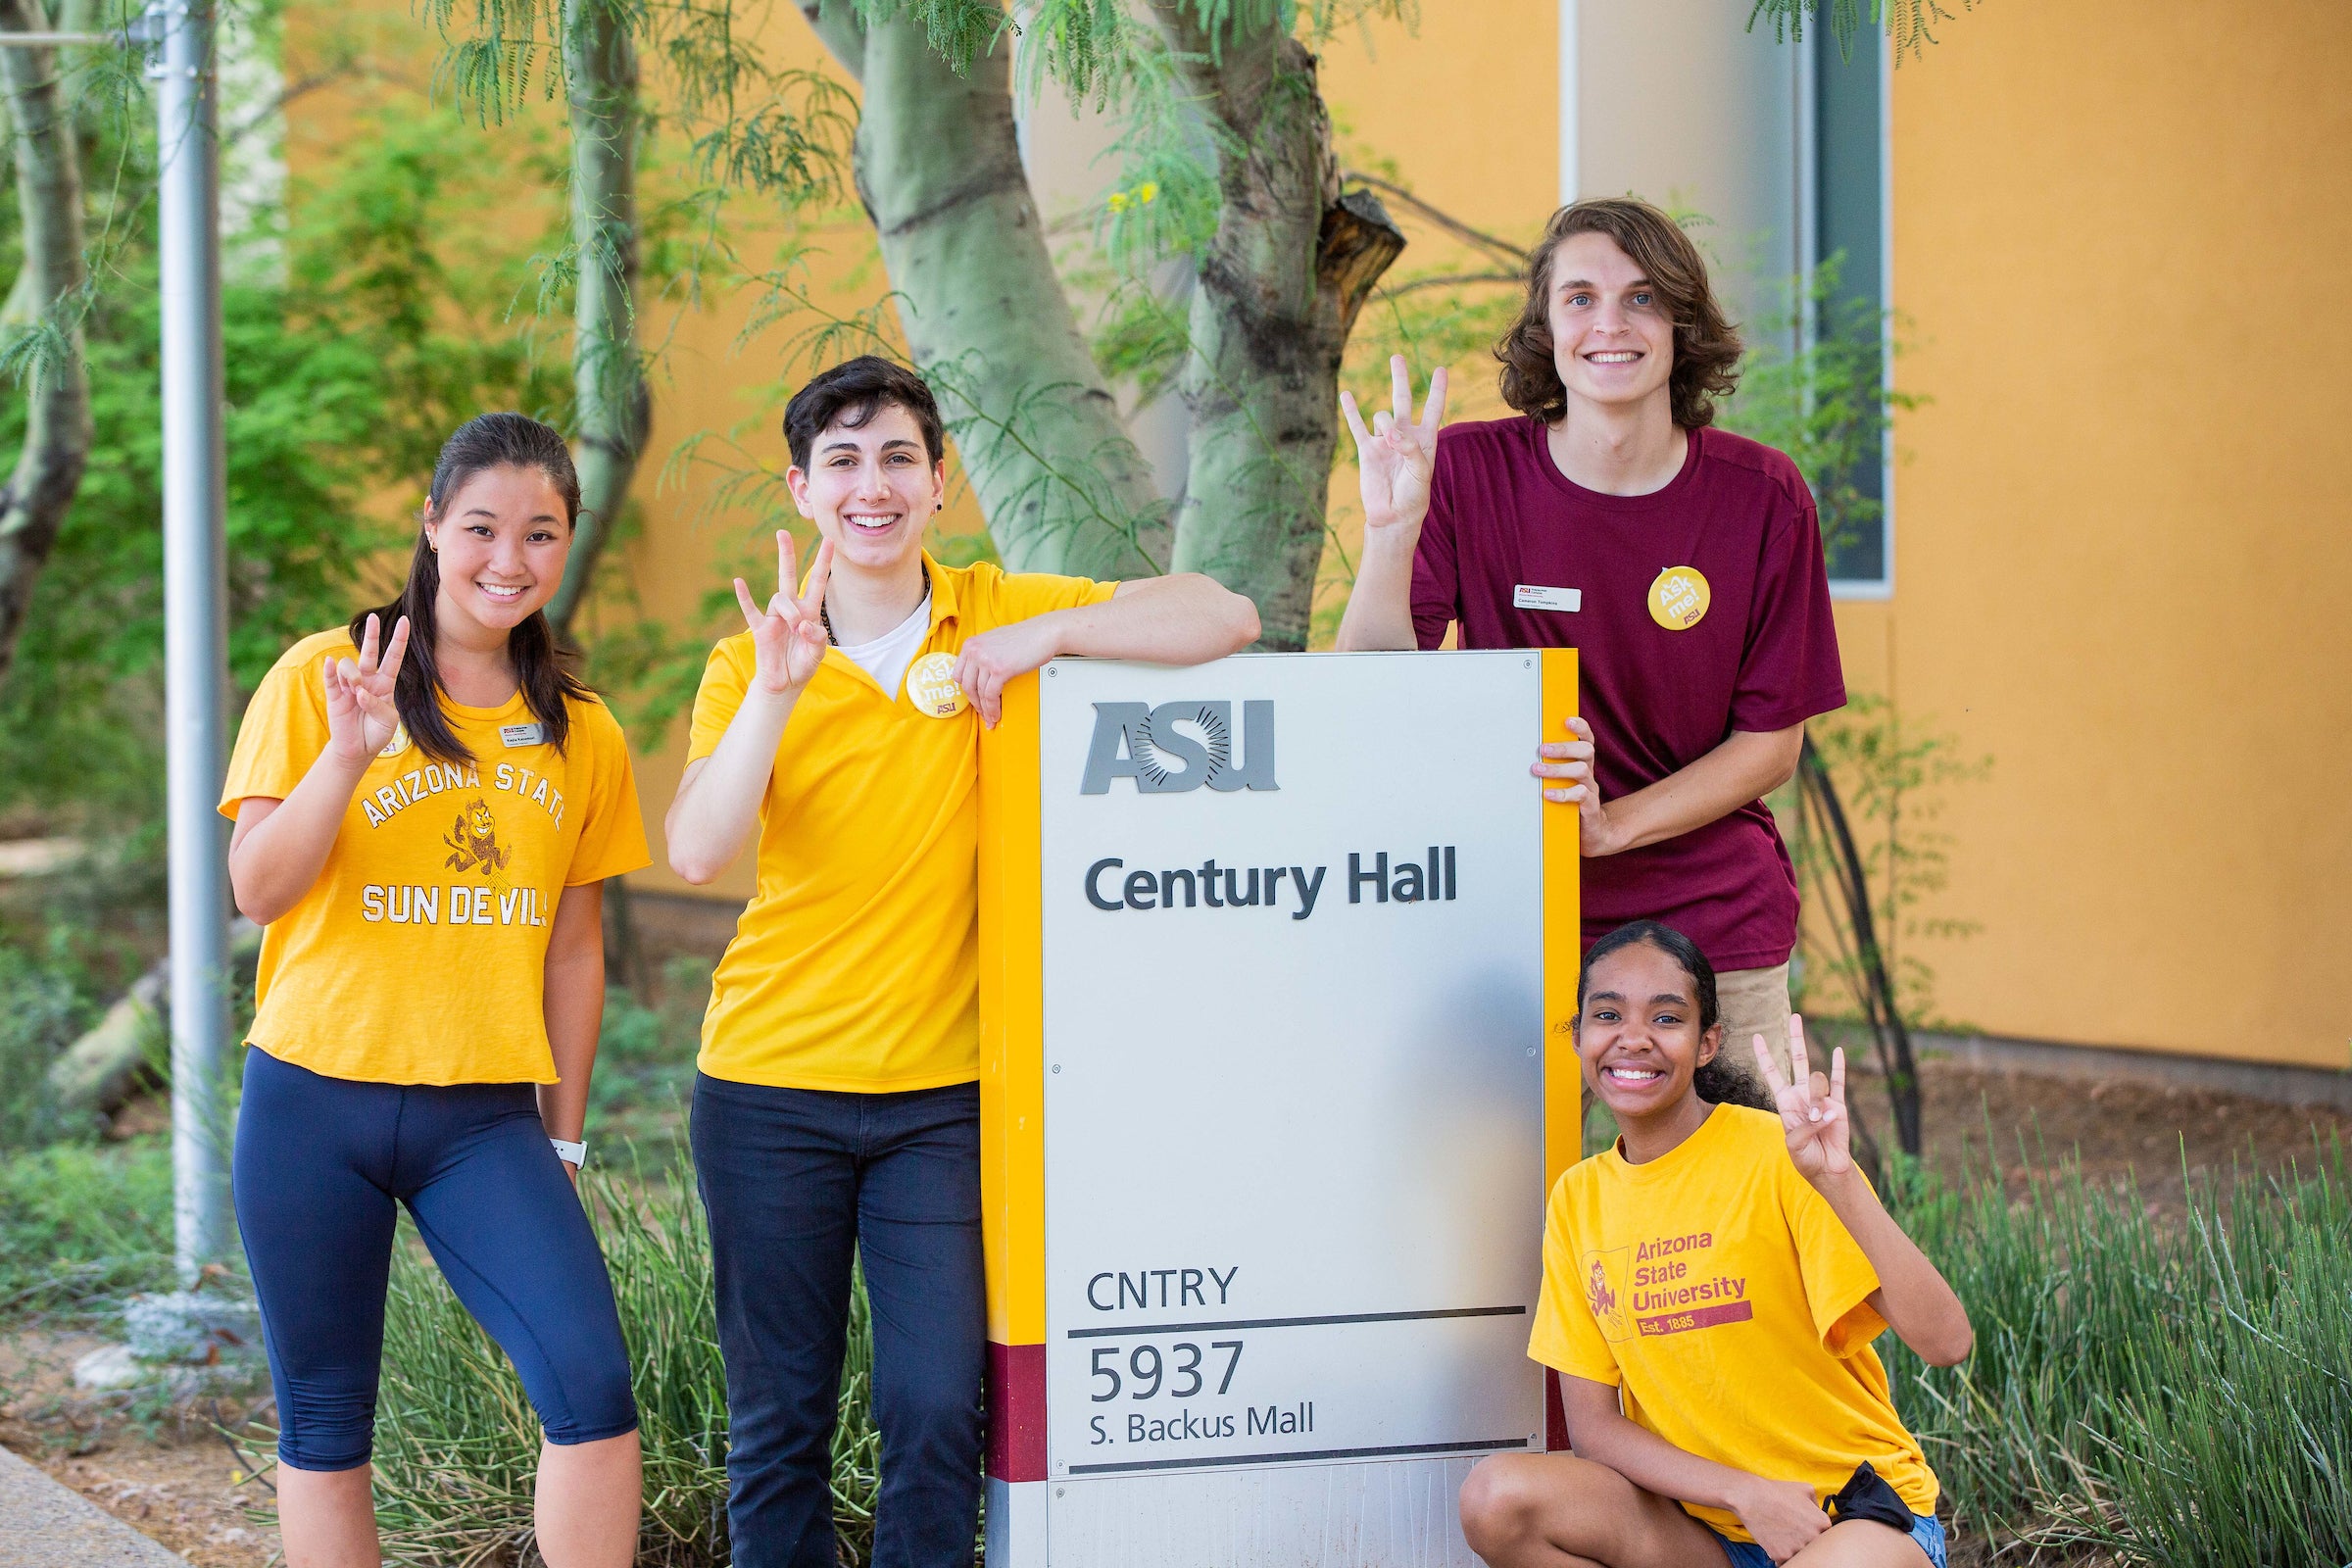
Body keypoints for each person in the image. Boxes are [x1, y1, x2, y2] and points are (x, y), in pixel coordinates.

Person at [665, 355, 1259, 1568]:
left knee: (937, 1410)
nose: (870, 486)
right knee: (778, 1421)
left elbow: (1224, 615)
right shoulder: (752, 659)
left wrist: (1050, 633)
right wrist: (777, 692)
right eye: (842, 462)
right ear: (801, 490)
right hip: (770, 1088)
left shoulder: (987, 605)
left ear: (941, 481)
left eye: (896, 458)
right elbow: (694, 847)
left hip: (945, 1100)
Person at [221, 414, 649, 1568]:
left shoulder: (583, 732)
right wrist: (348, 752)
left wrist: (562, 1145)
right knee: (324, 1422)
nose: (507, 559)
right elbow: (257, 890)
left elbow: (573, 950)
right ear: (430, 525)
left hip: (483, 1121)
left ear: (566, 545)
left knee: (592, 1390)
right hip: (314, 1101)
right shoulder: (326, 675)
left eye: (541, 533)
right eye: (480, 527)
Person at [1334, 197, 1848, 1061]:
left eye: (1642, 298)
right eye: (1580, 297)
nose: (1610, 323)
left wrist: (1610, 828)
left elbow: (1771, 745)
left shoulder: (1763, 497)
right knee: (1493, 1199)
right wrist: (1391, 537)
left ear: (1683, 324)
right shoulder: (1463, 471)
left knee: (1739, 1191)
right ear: (1546, 325)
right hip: (1511, 912)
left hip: (1711, 921)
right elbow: (1377, 692)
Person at [1458, 920, 1972, 1567]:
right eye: (1608, 1013)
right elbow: (1594, 1428)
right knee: (1498, 1499)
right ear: (1581, 1036)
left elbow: (1947, 1342)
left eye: (1666, 1018)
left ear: (1707, 1044)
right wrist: (1744, 1494)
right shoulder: (1578, 1199)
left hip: (1844, 1522)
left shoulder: (1778, 1154)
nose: (1633, 1038)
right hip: (1706, 1535)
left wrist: (1840, 1182)